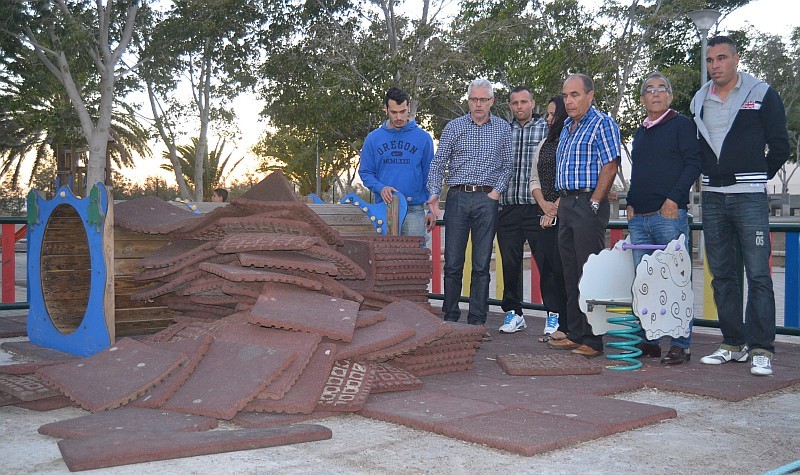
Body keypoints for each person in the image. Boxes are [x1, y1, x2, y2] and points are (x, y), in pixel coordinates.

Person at [691, 36, 790, 376]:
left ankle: (762, 348)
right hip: (713, 198)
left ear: (735, 59)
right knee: (721, 275)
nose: (715, 65)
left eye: (721, 58)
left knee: (759, 274)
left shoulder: (762, 93)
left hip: (749, 197)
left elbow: (780, 145)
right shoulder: (699, 99)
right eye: (709, 60)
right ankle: (732, 343)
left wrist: (756, 176)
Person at [427, 78, 513, 338]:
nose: (478, 104)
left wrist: (496, 193)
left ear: (492, 101)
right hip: (457, 199)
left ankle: (477, 321)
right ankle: (451, 318)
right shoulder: (454, 127)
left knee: (481, 264)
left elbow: (508, 164)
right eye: (474, 99)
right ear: (468, 100)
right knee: (453, 262)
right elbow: (438, 162)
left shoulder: (502, 128)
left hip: (487, 200)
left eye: (483, 99)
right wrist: (433, 194)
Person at [627, 72, 702, 365]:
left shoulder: (681, 125)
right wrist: (630, 202)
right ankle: (651, 340)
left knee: (676, 281)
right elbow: (641, 171)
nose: (655, 93)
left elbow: (694, 163)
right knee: (645, 282)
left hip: (668, 216)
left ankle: (681, 343)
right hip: (640, 219)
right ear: (643, 98)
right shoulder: (641, 131)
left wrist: (674, 199)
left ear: (669, 96)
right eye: (649, 89)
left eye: (661, 89)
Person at [547, 73, 620, 358]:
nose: (569, 101)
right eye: (566, 95)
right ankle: (575, 332)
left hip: (588, 203)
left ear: (590, 95)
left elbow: (610, 166)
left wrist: (595, 202)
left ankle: (594, 338)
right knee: (569, 271)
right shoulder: (566, 126)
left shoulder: (602, 123)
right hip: (566, 203)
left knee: (589, 271)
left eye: (575, 95)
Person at [496, 86, 547, 334]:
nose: (519, 107)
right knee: (510, 263)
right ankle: (514, 313)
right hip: (508, 207)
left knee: (547, 262)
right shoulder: (503, 131)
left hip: (538, 207)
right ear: (509, 106)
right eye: (515, 103)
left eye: (524, 102)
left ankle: (555, 315)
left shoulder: (546, 128)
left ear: (532, 103)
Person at [359, 87, 435, 239]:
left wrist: (432, 209)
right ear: (386, 109)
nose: (399, 117)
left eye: (403, 111)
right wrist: (380, 188)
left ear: (409, 109)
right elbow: (365, 172)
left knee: (413, 258)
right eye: (394, 112)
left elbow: (430, 174)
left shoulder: (423, 138)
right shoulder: (373, 138)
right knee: (385, 257)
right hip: (383, 209)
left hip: (414, 210)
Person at [530, 95, 569, 342]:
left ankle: (568, 323)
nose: (548, 118)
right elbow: (534, 178)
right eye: (547, 114)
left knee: (565, 270)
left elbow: (571, 179)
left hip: (566, 215)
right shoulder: (544, 143)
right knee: (547, 268)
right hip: (544, 215)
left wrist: (555, 208)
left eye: (552, 114)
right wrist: (544, 205)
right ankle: (553, 315)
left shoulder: (570, 141)